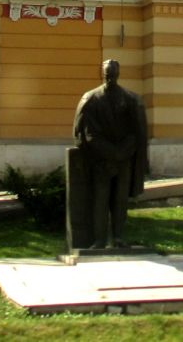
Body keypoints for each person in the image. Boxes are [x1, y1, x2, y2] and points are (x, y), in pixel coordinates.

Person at [73, 59, 148, 247]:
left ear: (118, 74)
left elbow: (137, 133)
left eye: (113, 74)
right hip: (101, 160)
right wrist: (110, 154)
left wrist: (121, 154)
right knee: (100, 199)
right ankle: (99, 239)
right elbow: (85, 133)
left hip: (123, 159)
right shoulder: (91, 99)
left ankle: (118, 237)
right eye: (107, 74)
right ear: (102, 74)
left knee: (120, 200)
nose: (110, 78)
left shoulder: (131, 100)